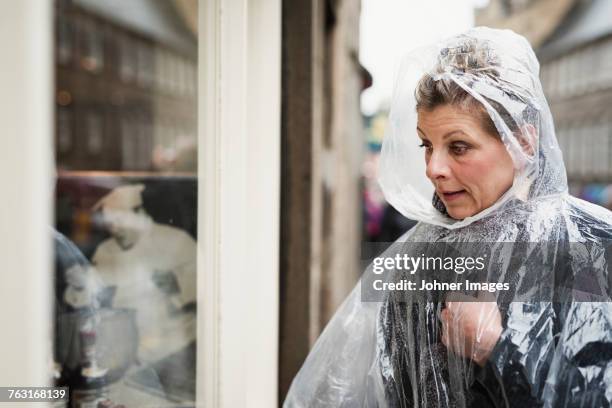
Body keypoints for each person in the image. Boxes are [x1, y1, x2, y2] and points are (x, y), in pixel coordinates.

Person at [283, 27, 612, 407]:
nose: (433, 168)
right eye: (427, 145)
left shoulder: (589, 248)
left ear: (522, 142)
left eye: (459, 146)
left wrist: (495, 351)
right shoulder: (417, 263)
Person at [65, 184, 197, 364]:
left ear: (139, 213)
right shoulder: (105, 251)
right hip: (122, 354)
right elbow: (90, 300)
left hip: (173, 353)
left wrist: (177, 283)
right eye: (109, 223)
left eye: (120, 220)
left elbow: (210, 288)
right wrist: (80, 285)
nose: (115, 229)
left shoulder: (176, 241)